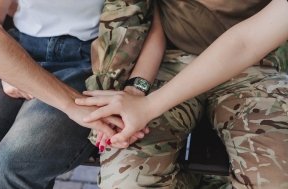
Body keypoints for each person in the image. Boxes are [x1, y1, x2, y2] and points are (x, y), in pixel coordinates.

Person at [76, 0, 288, 188]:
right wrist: (136, 90)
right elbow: (153, 18)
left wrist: (147, 106)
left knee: (277, 181)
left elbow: (245, 43)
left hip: (255, 65)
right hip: (168, 63)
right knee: (126, 180)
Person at [0, 0, 152, 188]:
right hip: (12, 48)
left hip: (88, 60)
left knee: (14, 163)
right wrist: (5, 70)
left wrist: (136, 88)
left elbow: (153, 16)